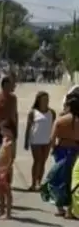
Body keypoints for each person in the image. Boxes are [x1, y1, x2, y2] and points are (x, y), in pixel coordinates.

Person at [41, 88, 79, 219]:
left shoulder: (60, 121)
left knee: (58, 181)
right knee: (72, 182)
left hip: (61, 151)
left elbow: (52, 140)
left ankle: (60, 208)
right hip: (76, 152)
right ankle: (70, 209)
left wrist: (52, 150)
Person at [0, 75, 18, 181]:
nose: (13, 86)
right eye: (11, 84)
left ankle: (6, 176)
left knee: (10, 155)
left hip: (10, 129)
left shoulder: (13, 98)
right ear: (5, 85)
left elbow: (15, 114)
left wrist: (16, 131)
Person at [25, 91, 55, 191]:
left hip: (47, 140)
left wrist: (53, 140)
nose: (45, 101)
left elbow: (54, 127)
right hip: (36, 140)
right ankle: (33, 183)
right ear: (38, 100)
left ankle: (38, 182)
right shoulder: (33, 112)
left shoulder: (52, 112)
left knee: (43, 162)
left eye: (47, 99)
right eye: (43, 99)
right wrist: (26, 141)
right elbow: (28, 127)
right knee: (37, 160)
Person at [0, 121, 16, 219]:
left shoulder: (11, 142)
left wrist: (7, 169)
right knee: (0, 190)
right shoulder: (4, 139)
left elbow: (11, 158)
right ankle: (1, 210)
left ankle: (8, 213)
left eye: (2, 129)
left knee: (7, 191)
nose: (0, 131)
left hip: (6, 169)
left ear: (9, 130)